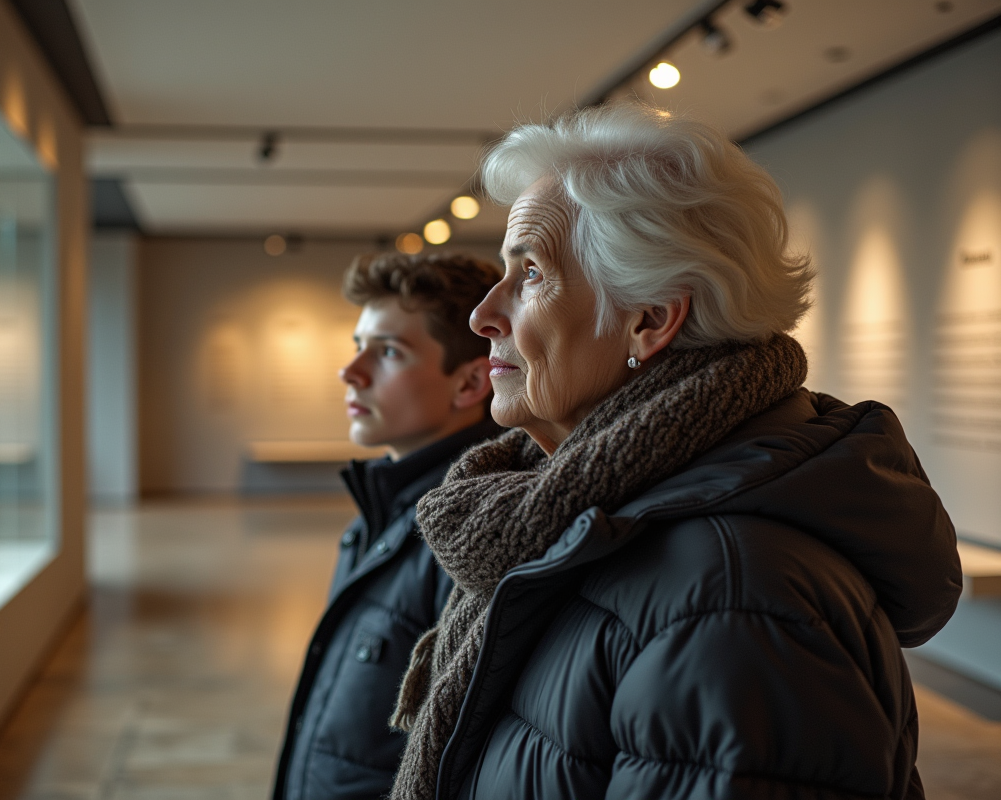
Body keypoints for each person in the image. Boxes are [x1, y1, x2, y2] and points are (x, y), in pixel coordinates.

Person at [386, 104, 962, 800]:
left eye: (530, 272)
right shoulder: (568, 519)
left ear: (651, 320)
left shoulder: (732, 598)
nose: (483, 314)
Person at [272, 251, 503, 800]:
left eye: (389, 351)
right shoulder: (383, 508)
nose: (351, 371)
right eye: (358, 345)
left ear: (470, 383)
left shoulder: (469, 538)